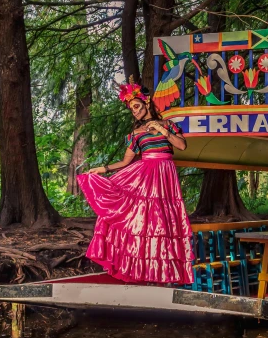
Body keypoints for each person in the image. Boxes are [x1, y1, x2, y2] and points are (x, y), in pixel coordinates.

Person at [77, 81, 193, 285]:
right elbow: (125, 161)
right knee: (144, 224)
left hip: (166, 178)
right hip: (145, 178)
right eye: (132, 109)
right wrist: (103, 169)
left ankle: (162, 276)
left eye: (137, 106)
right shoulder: (136, 134)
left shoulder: (168, 125)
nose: (135, 112)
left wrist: (162, 130)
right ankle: (142, 274)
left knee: (164, 225)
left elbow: (182, 146)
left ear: (147, 102)